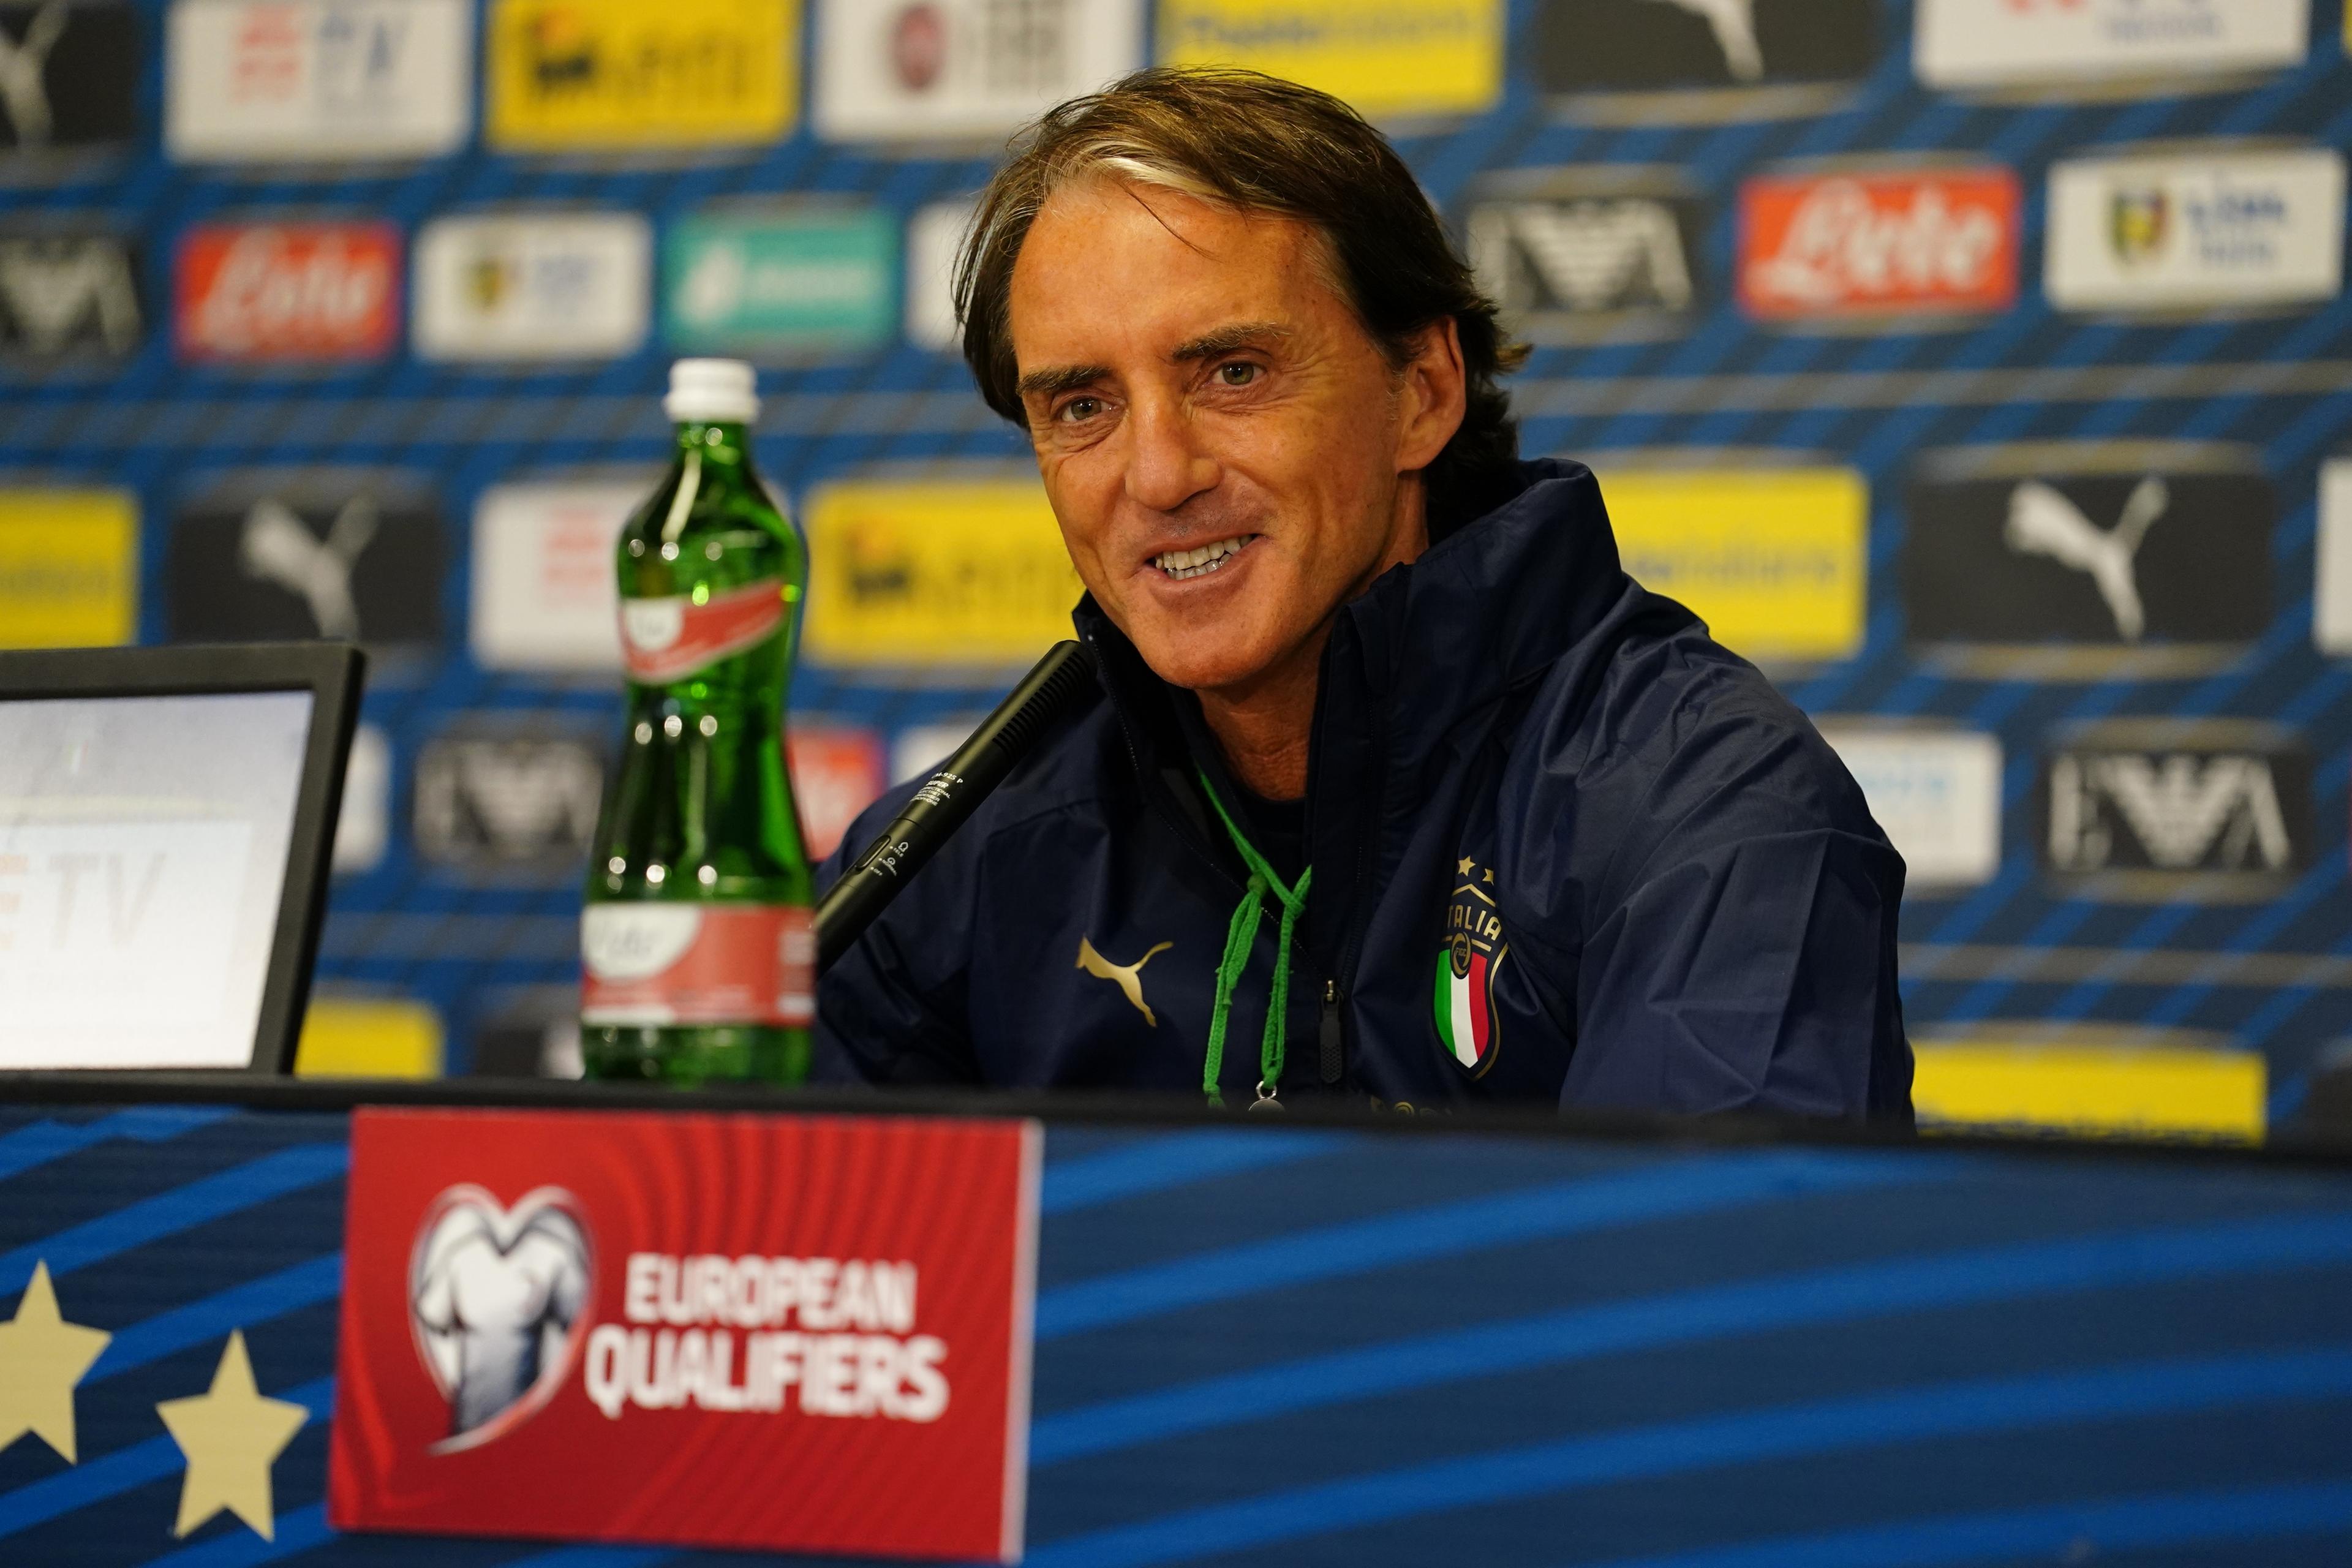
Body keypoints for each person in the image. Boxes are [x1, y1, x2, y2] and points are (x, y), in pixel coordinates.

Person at [814, 67, 1912, 1118]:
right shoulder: (965, 855)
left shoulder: (1705, 812)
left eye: (1233, 374)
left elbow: (1709, 1300)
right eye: (1083, 406)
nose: (1157, 476)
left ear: (1424, 393)